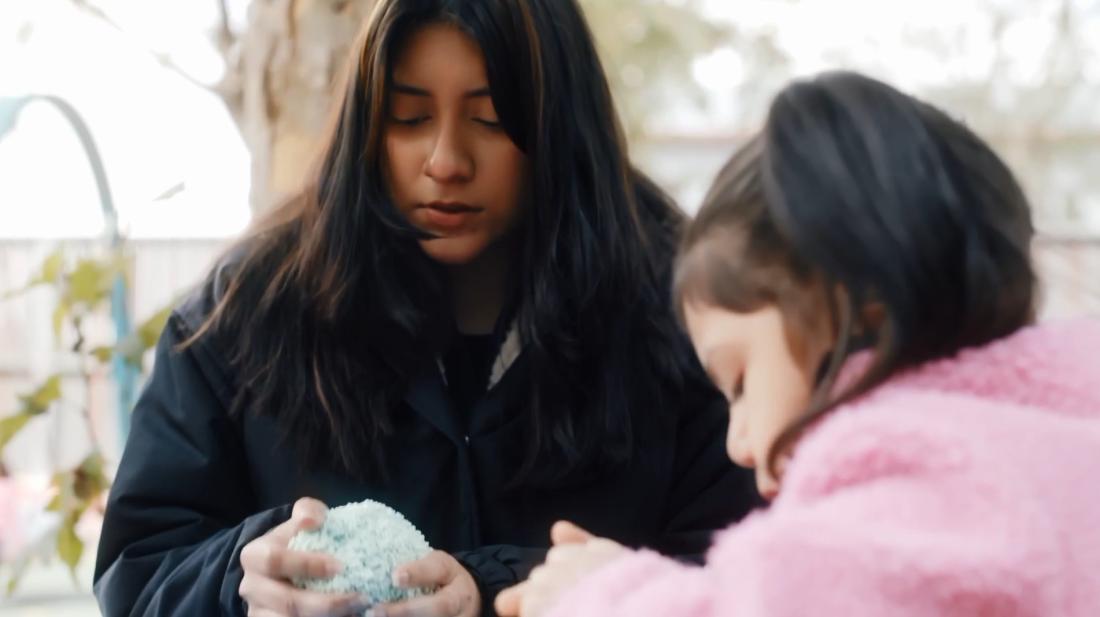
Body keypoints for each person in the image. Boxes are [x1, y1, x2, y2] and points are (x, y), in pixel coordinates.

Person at [92, 1, 759, 616]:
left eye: (491, 119)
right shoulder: (246, 312)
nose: (445, 160)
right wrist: (238, 575)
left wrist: (506, 589)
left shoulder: (677, 309)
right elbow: (140, 568)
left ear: (559, 123)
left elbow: (754, 575)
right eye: (408, 118)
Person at [496, 70, 1100, 617]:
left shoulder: (919, 478)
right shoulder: (1053, 447)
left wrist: (602, 596)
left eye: (740, 382)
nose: (735, 442)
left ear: (852, 308)